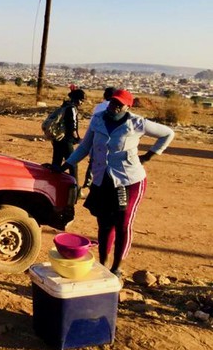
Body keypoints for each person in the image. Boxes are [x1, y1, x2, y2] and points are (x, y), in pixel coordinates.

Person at [61, 88, 174, 278]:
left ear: (127, 106)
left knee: (123, 223)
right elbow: (85, 147)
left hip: (129, 181)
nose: (114, 107)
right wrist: (66, 165)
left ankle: (117, 267)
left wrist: (150, 155)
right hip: (103, 179)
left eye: (119, 104)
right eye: (113, 102)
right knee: (104, 224)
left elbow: (168, 133)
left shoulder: (137, 123)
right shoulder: (98, 119)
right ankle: (103, 263)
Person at [82, 87, 115, 189]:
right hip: (111, 139)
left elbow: (92, 122)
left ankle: (88, 183)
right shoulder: (116, 108)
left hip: (96, 136)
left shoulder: (99, 106)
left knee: (93, 160)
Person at [51, 88, 85, 180]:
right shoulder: (72, 109)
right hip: (66, 140)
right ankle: (74, 188)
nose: (82, 103)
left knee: (56, 162)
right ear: (76, 99)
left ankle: (53, 183)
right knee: (72, 163)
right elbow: (72, 126)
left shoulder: (64, 106)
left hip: (58, 138)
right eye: (81, 100)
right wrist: (78, 139)